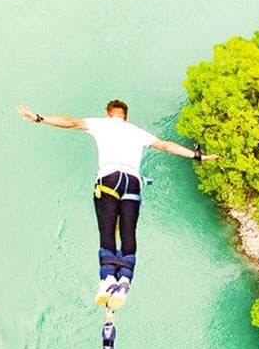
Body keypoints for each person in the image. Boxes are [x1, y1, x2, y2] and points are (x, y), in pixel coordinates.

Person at [15, 100, 218, 310]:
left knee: (108, 229)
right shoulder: (138, 132)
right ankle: (125, 281)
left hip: (109, 179)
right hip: (131, 181)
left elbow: (69, 121)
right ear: (126, 116)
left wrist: (39, 117)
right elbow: (166, 145)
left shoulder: (100, 124)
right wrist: (197, 156)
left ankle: (108, 279)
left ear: (108, 113)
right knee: (128, 231)